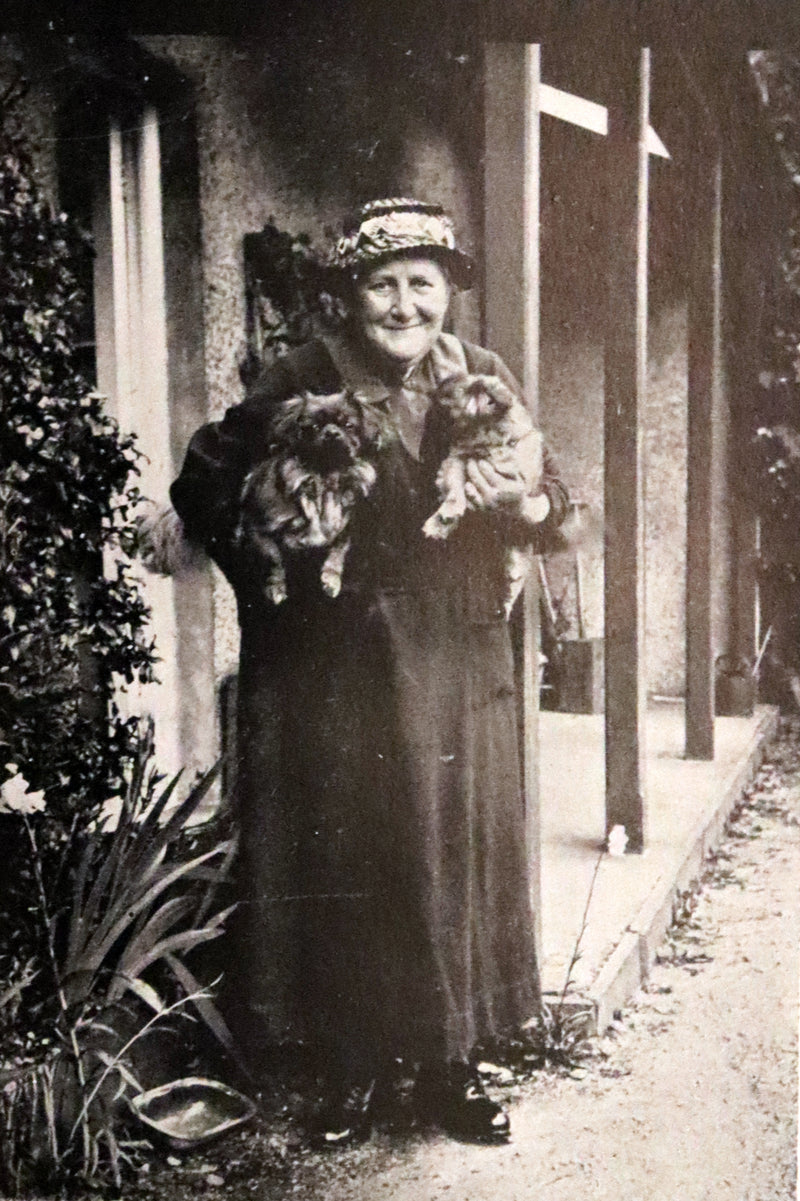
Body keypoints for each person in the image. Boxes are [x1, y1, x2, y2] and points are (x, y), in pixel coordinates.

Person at [170, 198, 569, 1143]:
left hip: (458, 656)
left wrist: (533, 511)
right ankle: (348, 1065)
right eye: (383, 285)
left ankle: (449, 1065)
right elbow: (202, 484)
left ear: (448, 294)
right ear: (351, 295)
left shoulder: (480, 375)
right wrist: (275, 559)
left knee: (449, 854)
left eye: (422, 284)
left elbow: (553, 486)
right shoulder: (300, 375)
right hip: (335, 662)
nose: (403, 305)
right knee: (350, 854)